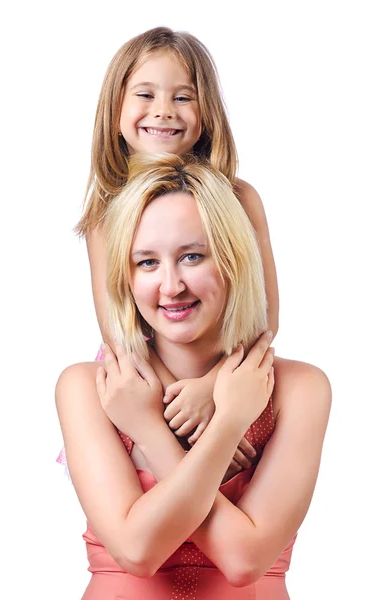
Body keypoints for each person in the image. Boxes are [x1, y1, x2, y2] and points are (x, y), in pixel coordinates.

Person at [55, 153, 331, 599]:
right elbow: (137, 552)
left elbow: (243, 561)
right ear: (124, 277)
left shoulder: (299, 389)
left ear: (234, 260)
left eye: (192, 256)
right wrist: (211, 428)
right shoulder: (88, 388)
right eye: (146, 262)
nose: (170, 285)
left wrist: (200, 424)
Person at [56, 26, 279, 472]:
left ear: (207, 113)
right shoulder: (106, 213)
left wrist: (213, 391)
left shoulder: (240, 198)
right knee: (156, 480)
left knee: (239, 477)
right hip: (143, 384)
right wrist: (176, 412)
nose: (163, 112)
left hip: (229, 377)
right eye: (145, 94)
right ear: (115, 109)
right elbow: (118, 334)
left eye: (183, 97)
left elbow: (264, 315)